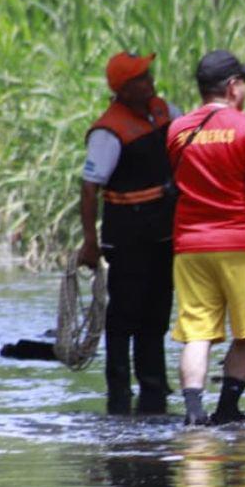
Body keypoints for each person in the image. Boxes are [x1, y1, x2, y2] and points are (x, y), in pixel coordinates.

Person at [166, 50, 245, 426]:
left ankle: (194, 411)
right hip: (241, 244)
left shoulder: (177, 130)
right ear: (233, 86)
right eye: (243, 82)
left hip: (189, 246)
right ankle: (228, 408)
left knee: (196, 334)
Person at [79, 52, 180, 415]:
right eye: (141, 78)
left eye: (149, 74)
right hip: (127, 234)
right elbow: (89, 188)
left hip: (163, 231)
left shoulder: (165, 111)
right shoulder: (108, 131)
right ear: (123, 89)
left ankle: (154, 389)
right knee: (124, 316)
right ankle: (119, 394)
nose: (150, 81)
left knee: (156, 313)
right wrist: (91, 243)